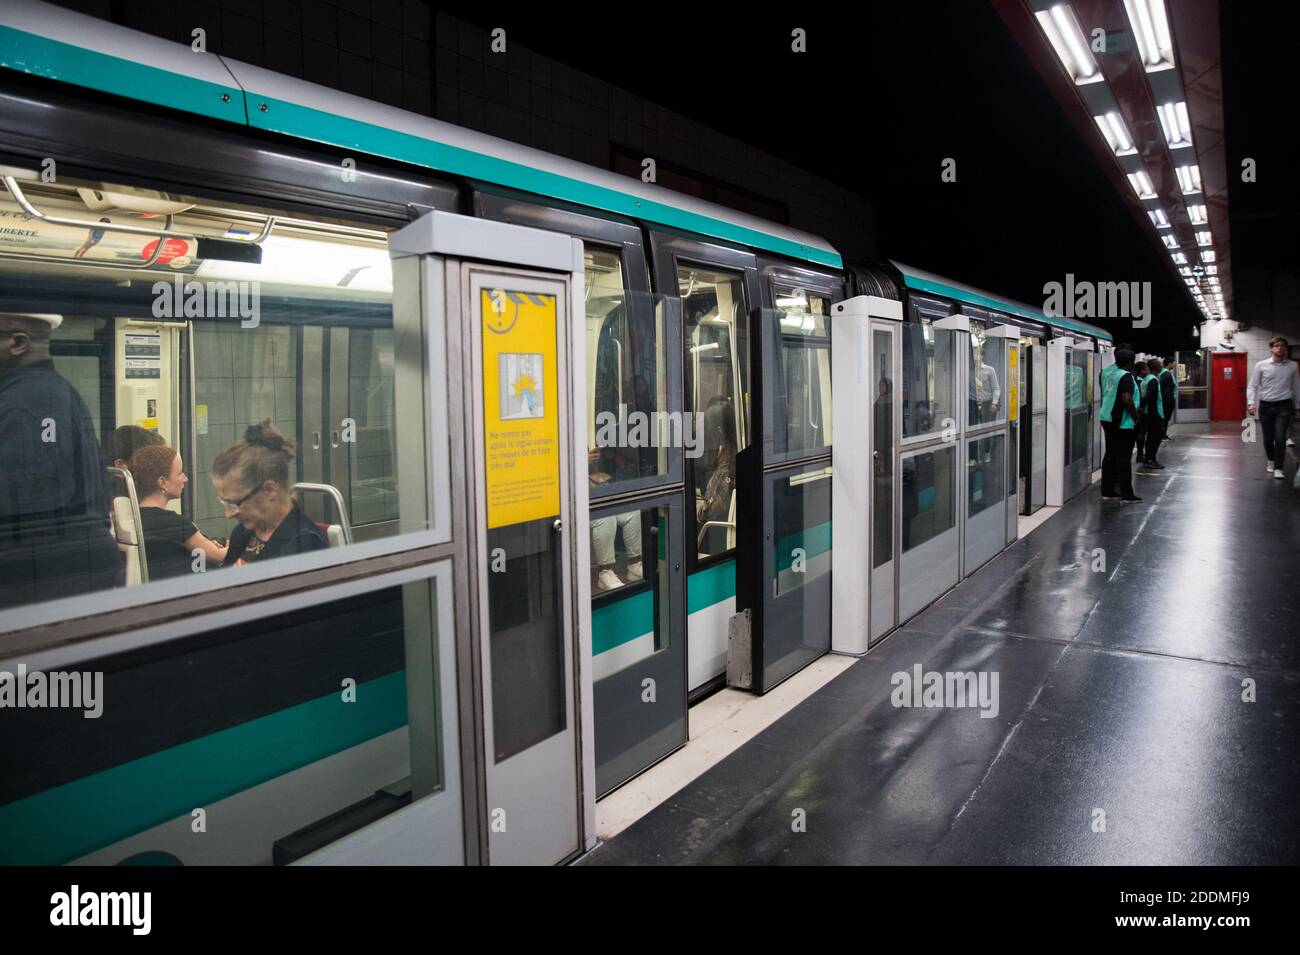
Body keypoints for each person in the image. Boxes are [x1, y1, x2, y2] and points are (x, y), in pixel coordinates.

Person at [0, 312, 121, 609]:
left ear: (18, 342)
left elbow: (30, 503)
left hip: (46, 580)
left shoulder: (27, 401)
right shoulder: (54, 391)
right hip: (70, 572)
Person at [211, 420, 326, 566]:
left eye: (234, 503)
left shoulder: (304, 545)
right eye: (224, 502)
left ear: (270, 491)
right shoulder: (242, 534)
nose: (228, 514)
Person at [128, 443, 227, 580]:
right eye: (180, 472)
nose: (185, 478)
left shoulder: (133, 518)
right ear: (162, 482)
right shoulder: (172, 524)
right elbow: (218, 556)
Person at [1246, 336, 1300, 479]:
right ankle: (1271, 460)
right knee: (1268, 438)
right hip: (1266, 405)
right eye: (1276, 345)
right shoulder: (1261, 365)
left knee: (1281, 437)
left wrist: (1297, 406)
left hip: (1284, 404)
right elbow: (1253, 385)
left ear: (1285, 349)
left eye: (1282, 346)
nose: (1279, 348)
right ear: (1271, 348)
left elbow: (1296, 386)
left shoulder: (1292, 366)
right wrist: (1251, 403)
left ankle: (1278, 468)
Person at [1099, 346, 1141, 503]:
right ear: (1130, 362)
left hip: (1106, 417)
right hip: (1122, 422)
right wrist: (1136, 418)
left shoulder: (1106, 373)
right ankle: (1127, 494)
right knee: (1124, 457)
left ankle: (1107, 490)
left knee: (1110, 455)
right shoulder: (1126, 377)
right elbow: (1126, 399)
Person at [1137, 358, 1167, 471]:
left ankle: (1148, 458)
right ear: (1155, 367)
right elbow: (1148, 396)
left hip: (1147, 413)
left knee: (1150, 437)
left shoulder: (1145, 379)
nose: (1161, 366)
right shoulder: (1153, 380)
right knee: (1156, 437)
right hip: (1154, 413)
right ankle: (1150, 460)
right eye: (1159, 364)